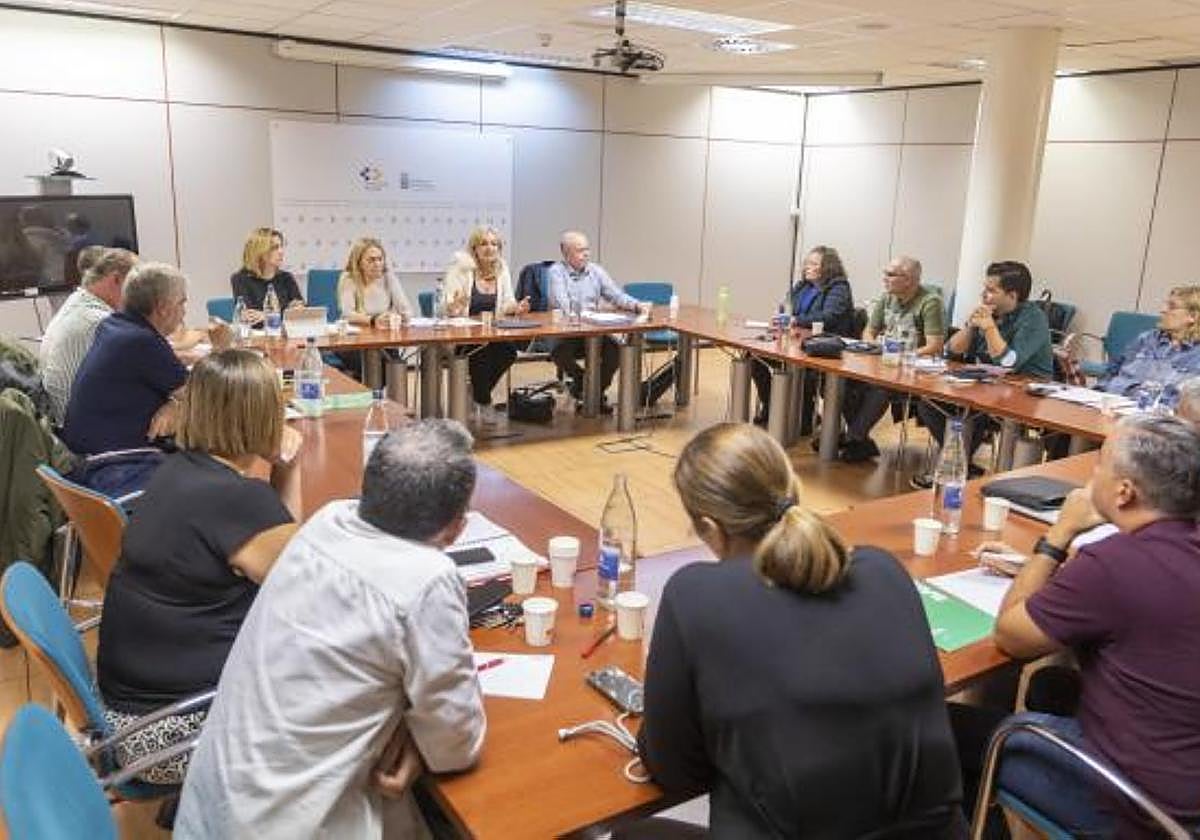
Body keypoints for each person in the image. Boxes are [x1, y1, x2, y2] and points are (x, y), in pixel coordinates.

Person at [635, 423, 963, 837]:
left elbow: (677, 772)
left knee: (634, 833)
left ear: (711, 530)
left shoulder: (695, 595)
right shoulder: (883, 569)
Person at [175, 420, 486, 839]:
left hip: (214, 810)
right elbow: (456, 744)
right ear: (457, 529)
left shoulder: (326, 522)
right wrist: (421, 737)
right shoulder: (427, 580)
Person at [956, 415, 1200, 836]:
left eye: (1100, 464)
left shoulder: (1114, 562)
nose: (1090, 476)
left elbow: (1011, 636)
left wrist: (1060, 533)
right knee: (1051, 686)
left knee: (936, 730)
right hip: (1186, 790)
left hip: (1137, 808)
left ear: (1124, 492)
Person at [95, 349, 301, 784]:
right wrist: (290, 466)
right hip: (174, 733)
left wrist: (280, 470)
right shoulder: (237, 498)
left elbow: (276, 545)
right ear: (264, 416)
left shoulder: (177, 471)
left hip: (128, 714)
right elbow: (298, 585)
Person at [913, 261, 1052, 485]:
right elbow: (951, 350)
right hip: (988, 386)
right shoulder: (991, 313)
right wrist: (971, 326)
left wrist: (988, 327)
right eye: (984, 288)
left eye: (991, 290)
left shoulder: (1033, 318)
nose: (983, 295)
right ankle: (961, 465)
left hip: (1026, 392)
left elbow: (1008, 362)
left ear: (1012, 295)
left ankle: (955, 468)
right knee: (929, 402)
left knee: (969, 412)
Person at [840, 256, 944, 462]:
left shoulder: (930, 302)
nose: (884, 279)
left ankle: (853, 438)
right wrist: (875, 347)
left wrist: (904, 357)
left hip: (913, 371)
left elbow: (935, 346)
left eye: (890, 274)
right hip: (885, 363)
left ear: (909, 280)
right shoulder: (887, 297)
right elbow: (869, 331)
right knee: (844, 381)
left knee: (880, 388)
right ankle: (859, 440)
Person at [750, 245, 853, 430]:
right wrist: (780, 315)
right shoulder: (802, 286)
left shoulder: (839, 287)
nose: (807, 267)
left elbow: (829, 316)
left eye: (813, 264)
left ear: (828, 267)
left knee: (801, 368)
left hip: (823, 350)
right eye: (807, 263)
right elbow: (786, 307)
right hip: (795, 343)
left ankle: (805, 415)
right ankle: (771, 406)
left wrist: (796, 320)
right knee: (753, 358)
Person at [39, 247, 137, 424]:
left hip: (65, 420)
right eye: (135, 285)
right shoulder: (100, 321)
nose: (138, 294)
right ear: (116, 279)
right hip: (85, 427)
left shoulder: (77, 303)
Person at [444, 226, 529, 423]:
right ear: (474, 248)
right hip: (462, 335)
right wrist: (455, 304)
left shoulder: (501, 269)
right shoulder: (461, 268)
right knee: (480, 352)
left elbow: (507, 302)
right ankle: (484, 401)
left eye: (494, 244)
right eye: (484, 244)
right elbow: (446, 308)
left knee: (509, 352)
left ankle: (476, 393)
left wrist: (517, 307)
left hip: (492, 332)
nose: (490, 248)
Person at [547, 230, 641, 408]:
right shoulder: (556, 272)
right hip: (567, 331)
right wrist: (586, 314)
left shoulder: (596, 271)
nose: (586, 254)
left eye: (587, 249)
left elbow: (616, 295)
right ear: (566, 253)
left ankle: (593, 392)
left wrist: (636, 305)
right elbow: (563, 305)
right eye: (580, 250)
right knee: (559, 350)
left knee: (615, 350)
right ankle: (583, 382)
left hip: (594, 330)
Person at [1094, 285, 1200, 408]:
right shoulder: (1147, 339)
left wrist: (1131, 390)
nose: (1163, 310)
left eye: (1172, 307)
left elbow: (1181, 402)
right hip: (1115, 406)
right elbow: (1110, 375)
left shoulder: (1196, 355)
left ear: (1193, 316)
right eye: (1165, 304)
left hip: (1161, 417)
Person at [229, 227, 304, 323]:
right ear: (259, 252)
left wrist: (266, 316)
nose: (281, 252)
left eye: (281, 246)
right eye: (274, 248)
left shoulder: (286, 277)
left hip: (284, 331)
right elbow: (250, 318)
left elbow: (300, 312)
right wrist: (284, 312)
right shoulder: (240, 279)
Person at [337, 237, 413, 329]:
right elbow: (347, 315)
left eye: (380, 259)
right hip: (358, 333)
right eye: (371, 260)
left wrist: (403, 317)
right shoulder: (349, 279)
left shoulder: (389, 277)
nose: (377, 264)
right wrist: (373, 320)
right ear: (359, 263)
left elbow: (405, 310)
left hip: (384, 332)